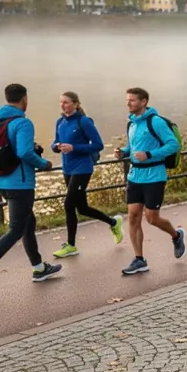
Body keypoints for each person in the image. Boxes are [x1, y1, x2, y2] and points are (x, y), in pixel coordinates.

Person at [0, 83, 61, 294]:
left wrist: (31, 150)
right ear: (24, 99)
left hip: (1, 182)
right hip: (20, 184)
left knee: (29, 222)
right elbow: (23, 153)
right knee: (16, 229)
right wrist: (44, 163)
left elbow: (16, 150)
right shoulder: (22, 123)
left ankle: (39, 268)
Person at [113, 88, 184, 275]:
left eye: (132, 101)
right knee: (134, 216)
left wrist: (150, 154)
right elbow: (134, 146)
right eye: (127, 100)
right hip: (135, 176)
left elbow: (172, 145)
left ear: (144, 102)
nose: (128, 104)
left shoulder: (156, 122)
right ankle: (139, 259)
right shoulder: (132, 123)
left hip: (154, 176)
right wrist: (124, 151)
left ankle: (176, 235)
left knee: (152, 218)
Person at [51, 91, 124, 258]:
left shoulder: (84, 121)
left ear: (76, 104)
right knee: (82, 208)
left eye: (67, 102)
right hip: (67, 168)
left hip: (82, 168)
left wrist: (74, 148)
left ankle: (71, 245)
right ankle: (113, 222)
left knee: (69, 205)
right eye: (61, 102)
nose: (63, 105)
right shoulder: (60, 122)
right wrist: (57, 146)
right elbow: (55, 142)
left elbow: (98, 145)